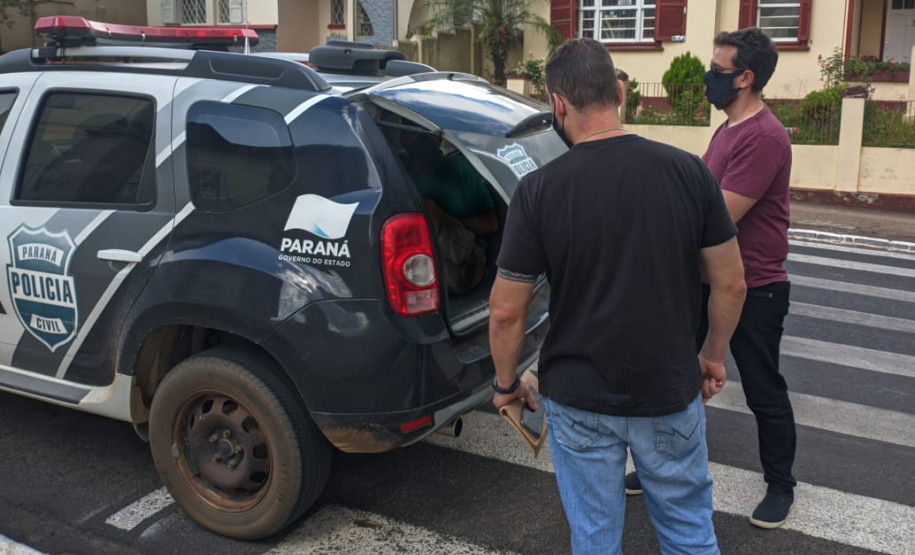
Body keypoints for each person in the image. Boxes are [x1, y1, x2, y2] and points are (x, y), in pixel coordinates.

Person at [489, 38, 747, 555]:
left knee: (595, 537)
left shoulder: (538, 191)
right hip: (669, 389)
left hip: (578, 397)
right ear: (621, 92)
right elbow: (731, 282)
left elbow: (506, 310)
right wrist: (712, 357)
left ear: (558, 105)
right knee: (689, 533)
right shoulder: (689, 172)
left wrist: (506, 383)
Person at [625, 28, 797, 530]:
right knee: (676, 378)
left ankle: (781, 484)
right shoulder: (728, 128)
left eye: (718, 71)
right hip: (704, 282)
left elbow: (717, 215)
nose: (708, 78)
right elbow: (696, 191)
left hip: (755, 286)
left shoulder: (765, 136)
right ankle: (658, 466)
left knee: (764, 388)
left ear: (745, 78)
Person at [406, 134, 498, 294]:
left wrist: (445, 222)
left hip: (467, 265)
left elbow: (491, 224)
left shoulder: (458, 168)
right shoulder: (403, 178)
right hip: (432, 268)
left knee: (428, 210)